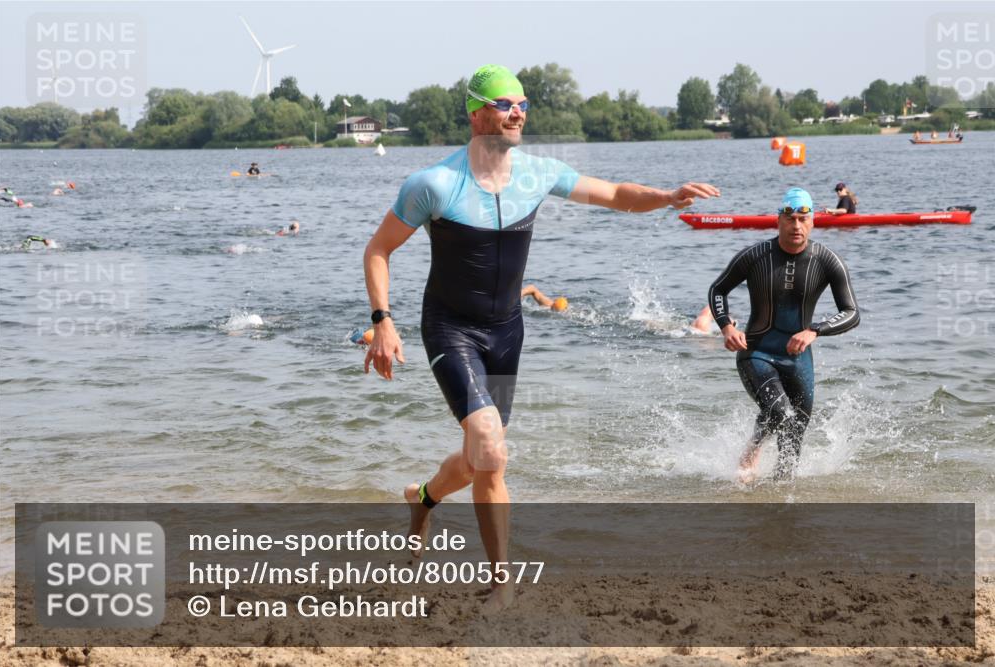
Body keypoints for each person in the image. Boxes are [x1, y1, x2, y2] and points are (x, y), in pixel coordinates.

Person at [363, 64, 719, 610]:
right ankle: (501, 583)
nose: (517, 112)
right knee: (489, 444)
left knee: (486, 455)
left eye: (523, 104)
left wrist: (667, 196)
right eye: (505, 104)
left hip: (507, 331)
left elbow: (617, 194)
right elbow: (378, 250)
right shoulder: (433, 183)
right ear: (476, 112)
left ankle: (424, 497)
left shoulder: (538, 173)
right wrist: (383, 321)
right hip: (450, 327)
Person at [708, 187, 859, 483]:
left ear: (813, 221)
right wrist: (726, 325)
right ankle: (751, 452)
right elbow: (718, 290)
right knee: (779, 411)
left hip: (799, 359)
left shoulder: (827, 261)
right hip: (757, 352)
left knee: (793, 440)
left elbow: (852, 313)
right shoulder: (755, 256)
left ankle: (781, 511)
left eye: (804, 219)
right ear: (779, 220)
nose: (796, 226)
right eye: (790, 219)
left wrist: (815, 330)